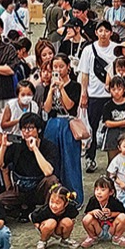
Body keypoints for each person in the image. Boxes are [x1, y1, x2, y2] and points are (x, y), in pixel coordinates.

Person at [0, 113, 59, 220]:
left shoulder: (48, 146)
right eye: (23, 129)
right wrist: (3, 147)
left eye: (30, 128)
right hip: (20, 189)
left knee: (52, 180)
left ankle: (46, 213)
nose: (26, 132)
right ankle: (19, 211)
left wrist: (35, 149)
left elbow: (48, 172)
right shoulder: (17, 145)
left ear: (38, 130)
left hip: (39, 189)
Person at [78, 20, 119, 173]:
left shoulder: (116, 49)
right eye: (100, 30)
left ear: (111, 33)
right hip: (94, 94)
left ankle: (114, 161)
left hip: (112, 95)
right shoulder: (88, 50)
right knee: (92, 127)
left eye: (106, 31)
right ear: (96, 32)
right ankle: (90, 157)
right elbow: (85, 74)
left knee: (112, 127)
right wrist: (84, 93)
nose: (103, 34)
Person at [42, 53, 84, 201]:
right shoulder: (49, 86)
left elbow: (70, 106)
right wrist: (51, 90)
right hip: (53, 123)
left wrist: (61, 89)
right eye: (55, 67)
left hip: (68, 124)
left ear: (68, 67)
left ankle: (74, 195)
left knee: (70, 160)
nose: (58, 70)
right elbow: (47, 108)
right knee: (54, 158)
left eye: (61, 66)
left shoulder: (75, 86)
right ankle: (55, 194)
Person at [80, 176, 125, 248]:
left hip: (112, 228)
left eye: (103, 190)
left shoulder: (114, 202)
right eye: (97, 189)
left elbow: (121, 213)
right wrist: (93, 212)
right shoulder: (93, 200)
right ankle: (92, 237)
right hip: (98, 228)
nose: (99, 192)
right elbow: (87, 213)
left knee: (123, 217)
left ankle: (117, 237)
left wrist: (111, 214)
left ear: (111, 192)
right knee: (87, 218)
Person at [30, 184, 81, 249]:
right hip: (47, 228)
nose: (53, 206)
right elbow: (33, 217)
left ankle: (65, 239)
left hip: (59, 228)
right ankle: (42, 241)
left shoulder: (70, 208)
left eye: (58, 203)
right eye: (51, 201)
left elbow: (74, 215)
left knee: (68, 221)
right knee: (51, 222)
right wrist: (38, 226)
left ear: (66, 203)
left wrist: (70, 223)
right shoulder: (45, 210)